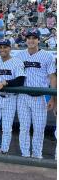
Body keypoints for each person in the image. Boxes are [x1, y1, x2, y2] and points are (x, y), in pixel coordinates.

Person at [16, 28, 56, 158]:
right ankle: (25, 154)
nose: (31, 40)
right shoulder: (19, 56)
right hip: (23, 97)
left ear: (39, 40)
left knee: (39, 129)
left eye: (34, 38)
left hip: (40, 97)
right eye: (29, 38)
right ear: (26, 40)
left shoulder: (48, 56)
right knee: (24, 128)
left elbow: (53, 78)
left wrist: (53, 98)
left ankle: (37, 155)